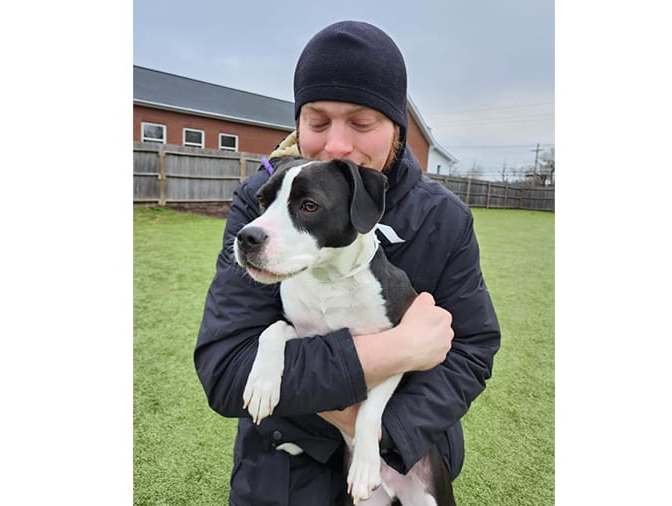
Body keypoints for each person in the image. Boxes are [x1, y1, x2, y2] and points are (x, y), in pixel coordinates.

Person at [195, 20, 500, 505]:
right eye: (316, 122)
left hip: (411, 458)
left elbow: (472, 349)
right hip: (285, 479)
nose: (336, 144)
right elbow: (228, 370)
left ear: (397, 127)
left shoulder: (444, 218)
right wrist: (394, 351)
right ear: (297, 122)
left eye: (361, 123)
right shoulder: (262, 206)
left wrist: (385, 433)